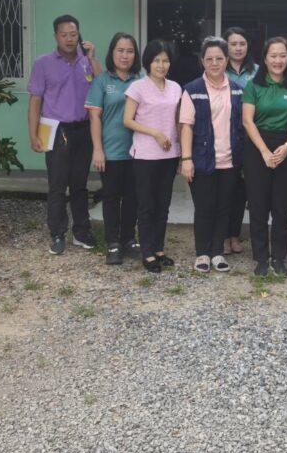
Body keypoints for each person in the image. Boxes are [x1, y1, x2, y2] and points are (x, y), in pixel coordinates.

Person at [28, 14, 102, 256]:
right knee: (58, 185)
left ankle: (81, 232)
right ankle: (57, 233)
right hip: (55, 128)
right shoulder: (43, 63)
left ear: (79, 35)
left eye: (73, 34)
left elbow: (103, 85)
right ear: (56, 37)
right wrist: (33, 134)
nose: (69, 39)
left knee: (80, 185)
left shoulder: (86, 61)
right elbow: (35, 101)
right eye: (64, 35)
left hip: (83, 128)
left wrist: (92, 58)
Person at [242, 37, 287, 277]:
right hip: (257, 146)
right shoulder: (254, 85)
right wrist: (263, 151)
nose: (278, 60)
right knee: (258, 204)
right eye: (273, 55)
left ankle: (279, 257)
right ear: (265, 58)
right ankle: (261, 257)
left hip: (286, 146)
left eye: (282, 55)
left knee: (282, 205)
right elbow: (247, 121)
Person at [179, 37, 243, 274]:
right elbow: (186, 126)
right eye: (209, 59)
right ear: (202, 61)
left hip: (230, 161)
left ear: (227, 60)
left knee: (224, 209)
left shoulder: (238, 90)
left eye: (219, 58)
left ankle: (217, 252)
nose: (214, 63)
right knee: (204, 208)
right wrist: (186, 159)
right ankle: (202, 253)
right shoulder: (192, 89)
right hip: (202, 160)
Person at [124, 39, 182, 273]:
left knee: (163, 204)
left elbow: (178, 121)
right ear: (148, 62)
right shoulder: (137, 87)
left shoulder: (175, 87)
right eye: (156, 60)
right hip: (145, 155)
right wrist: (155, 133)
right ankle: (147, 252)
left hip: (170, 154)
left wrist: (182, 151)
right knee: (147, 205)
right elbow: (127, 120)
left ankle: (159, 249)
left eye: (165, 60)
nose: (161, 65)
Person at [86, 32, 143, 266]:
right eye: (120, 50)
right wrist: (97, 149)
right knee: (111, 197)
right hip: (110, 151)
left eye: (130, 51)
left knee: (132, 198)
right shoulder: (102, 81)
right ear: (112, 53)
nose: (125, 55)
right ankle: (113, 242)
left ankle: (129, 238)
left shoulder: (141, 80)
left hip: (138, 151)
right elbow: (94, 117)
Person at [223, 26, 257, 256]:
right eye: (233, 44)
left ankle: (235, 235)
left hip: (249, 137)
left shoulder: (257, 71)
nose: (237, 48)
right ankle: (223, 236)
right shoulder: (219, 68)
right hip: (224, 137)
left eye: (242, 44)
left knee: (241, 191)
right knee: (225, 189)